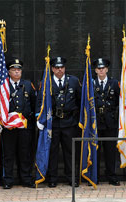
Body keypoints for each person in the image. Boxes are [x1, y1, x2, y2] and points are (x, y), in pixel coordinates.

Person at [37, 56, 81, 188]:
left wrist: (77, 118)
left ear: (65, 68)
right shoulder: (46, 82)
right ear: (52, 69)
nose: (59, 70)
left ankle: (72, 177)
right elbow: (40, 102)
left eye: (61, 67)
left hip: (69, 122)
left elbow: (80, 100)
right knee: (52, 151)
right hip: (53, 123)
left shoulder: (73, 81)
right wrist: (39, 118)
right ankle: (52, 178)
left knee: (70, 152)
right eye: (56, 68)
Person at [0, 58, 37, 189]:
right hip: (9, 127)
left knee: (25, 153)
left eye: (18, 70)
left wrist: (36, 120)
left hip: (25, 126)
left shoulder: (28, 85)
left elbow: (34, 103)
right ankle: (8, 180)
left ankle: (25, 178)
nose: (16, 72)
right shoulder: (3, 86)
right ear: (8, 72)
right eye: (13, 70)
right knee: (8, 154)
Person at [92, 58, 120, 186]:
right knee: (95, 151)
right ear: (95, 70)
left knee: (110, 151)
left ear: (107, 69)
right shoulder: (91, 84)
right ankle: (95, 176)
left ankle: (111, 176)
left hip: (110, 122)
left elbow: (121, 101)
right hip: (96, 122)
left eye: (103, 68)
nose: (101, 70)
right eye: (99, 68)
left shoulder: (114, 83)